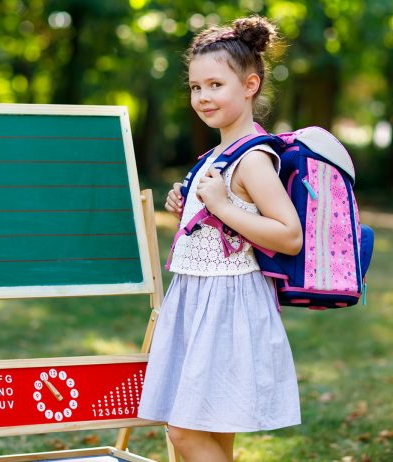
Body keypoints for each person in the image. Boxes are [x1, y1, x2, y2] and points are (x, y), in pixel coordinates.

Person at [138, 16, 302, 462]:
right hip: (198, 297)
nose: (203, 97)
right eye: (195, 87)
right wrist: (190, 206)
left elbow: (289, 236)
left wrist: (224, 206)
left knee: (185, 432)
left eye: (215, 84)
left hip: (228, 304)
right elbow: (223, 227)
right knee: (213, 432)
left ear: (250, 85)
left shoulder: (252, 157)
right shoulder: (216, 153)